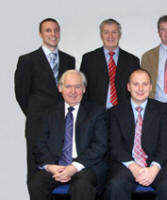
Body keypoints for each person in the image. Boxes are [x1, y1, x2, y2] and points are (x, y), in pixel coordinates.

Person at [27, 70, 108, 200]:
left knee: (82, 186)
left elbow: (99, 146)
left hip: (84, 166)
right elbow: (39, 144)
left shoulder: (96, 112)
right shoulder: (48, 113)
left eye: (77, 87)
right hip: (56, 166)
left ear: (84, 89)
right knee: (36, 184)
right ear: (60, 88)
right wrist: (51, 167)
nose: (73, 91)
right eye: (68, 87)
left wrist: (74, 167)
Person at [14, 18, 75, 181]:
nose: (53, 34)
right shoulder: (27, 60)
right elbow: (21, 93)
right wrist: (35, 113)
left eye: (56, 30)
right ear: (40, 34)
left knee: (61, 169)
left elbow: (71, 91)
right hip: (37, 123)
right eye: (48, 30)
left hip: (62, 123)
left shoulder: (69, 60)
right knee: (37, 171)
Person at [105, 69, 167, 200]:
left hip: (156, 162)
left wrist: (154, 168)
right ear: (128, 87)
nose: (140, 88)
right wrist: (134, 167)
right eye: (135, 84)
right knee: (116, 185)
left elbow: (166, 143)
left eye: (144, 84)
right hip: (126, 163)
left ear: (150, 87)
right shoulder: (115, 112)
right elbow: (115, 146)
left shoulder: (163, 109)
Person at [80, 18, 140, 109]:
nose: (110, 36)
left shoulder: (132, 61)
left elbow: (137, 90)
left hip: (124, 112)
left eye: (114, 32)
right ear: (101, 35)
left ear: (120, 35)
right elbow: (82, 89)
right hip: (95, 114)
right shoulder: (88, 59)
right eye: (106, 32)